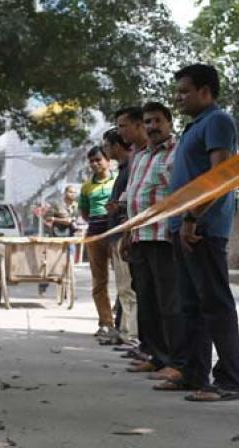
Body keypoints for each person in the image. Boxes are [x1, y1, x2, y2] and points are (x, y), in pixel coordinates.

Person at [165, 64, 239, 402]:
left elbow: (221, 175)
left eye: (184, 91)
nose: (178, 98)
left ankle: (229, 381)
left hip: (202, 229)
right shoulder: (193, 127)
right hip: (181, 226)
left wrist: (194, 218)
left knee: (215, 304)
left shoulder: (217, 121)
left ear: (206, 91)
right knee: (190, 305)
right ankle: (194, 374)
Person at [122, 101, 184, 385]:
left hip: (162, 237)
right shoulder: (141, 155)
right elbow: (134, 197)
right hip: (139, 238)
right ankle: (156, 357)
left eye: (157, 121)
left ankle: (176, 361)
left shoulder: (176, 152)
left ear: (169, 123)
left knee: (168, 302)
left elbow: (181, 193)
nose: (152, 126)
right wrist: (127, 234)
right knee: (146, 300)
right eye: (147, 122)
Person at [102, 124, 138, 346]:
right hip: (117, 236)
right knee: (123, 289)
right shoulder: (124, 170)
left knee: (128, 289)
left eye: (106, 146)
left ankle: (132, 336)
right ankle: (125, 331)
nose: (105, 150)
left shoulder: (132, 169)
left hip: (125, 235)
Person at [79, 146, 117, 338]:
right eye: (91, 161)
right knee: (99, 281)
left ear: (108, 161)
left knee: (125, 280)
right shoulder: (87, 187)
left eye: (98, 160)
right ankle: (105, 322)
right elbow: (84, 213)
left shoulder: (118, 181)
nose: (95, 164)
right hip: (94, 235)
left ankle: (126, 324)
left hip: (116, 234)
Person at [39, 186, 80, 296]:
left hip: (70, 237)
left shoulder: (76, 206)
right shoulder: (57, 205)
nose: (73, 194)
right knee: (51, 262)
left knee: (69, 264)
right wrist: (61, 220)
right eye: (71, 192)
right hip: (57, 237)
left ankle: (68, 290)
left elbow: (75, 219)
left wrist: (73, 223)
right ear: (65, 193)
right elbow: (47, 218)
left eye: (75, 193)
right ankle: (43, 285)